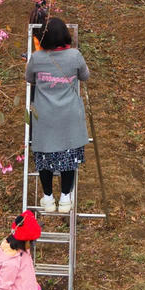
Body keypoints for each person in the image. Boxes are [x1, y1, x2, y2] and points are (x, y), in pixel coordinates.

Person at [25, 17, 90, 213]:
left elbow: (28, 78)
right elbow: (85, 76)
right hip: (69, 115)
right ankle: (64, 199)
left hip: (45, 117)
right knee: (69, 157)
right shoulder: (75, 56)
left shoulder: (37, 58)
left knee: (44, 157)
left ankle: (47, 197)